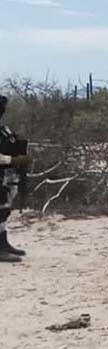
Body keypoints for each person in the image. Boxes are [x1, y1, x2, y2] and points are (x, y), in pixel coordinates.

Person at [0, 95, 31, 263]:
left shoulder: (3, 129)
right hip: (4, 169)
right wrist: (12, 160)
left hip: (6, 176)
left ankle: (3, 244)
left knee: (4, 210)